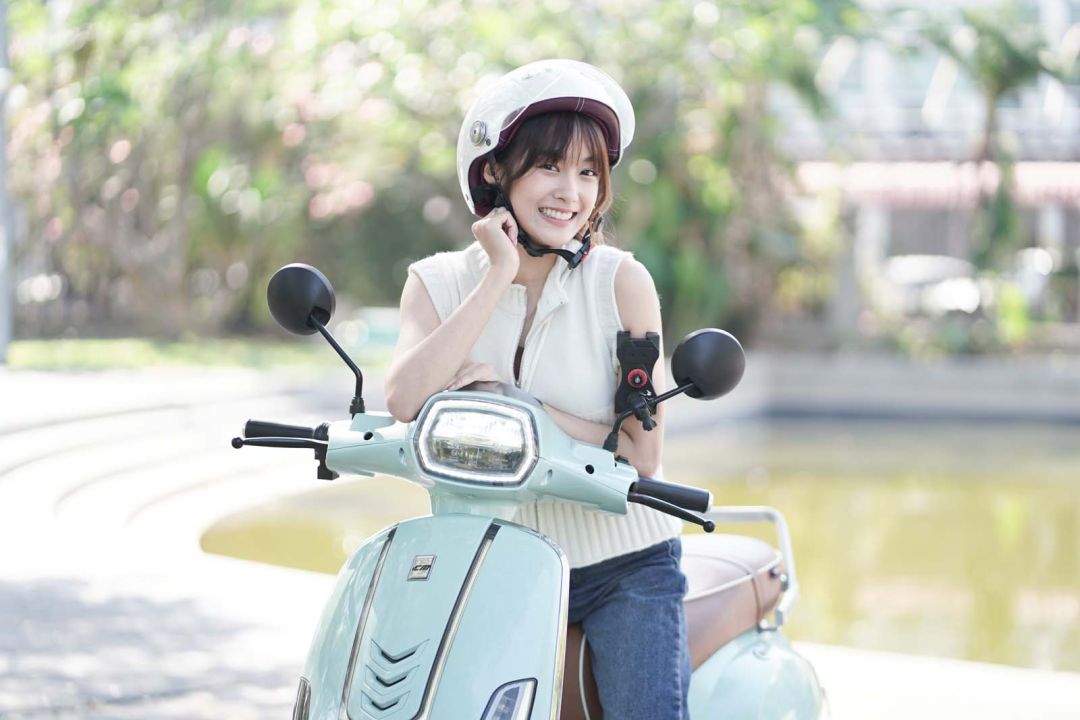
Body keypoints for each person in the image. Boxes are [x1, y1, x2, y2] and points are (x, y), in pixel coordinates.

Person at [384, 59, 690, 719]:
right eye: (549, 166)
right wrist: (496, 275)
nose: (570, 193)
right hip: (486, 558)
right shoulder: (437, 282)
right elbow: (404, 400)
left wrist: (521, 408)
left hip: (623, 567)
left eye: (588, 173)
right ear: (497, 170)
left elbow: (642, 453)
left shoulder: (622, 284)